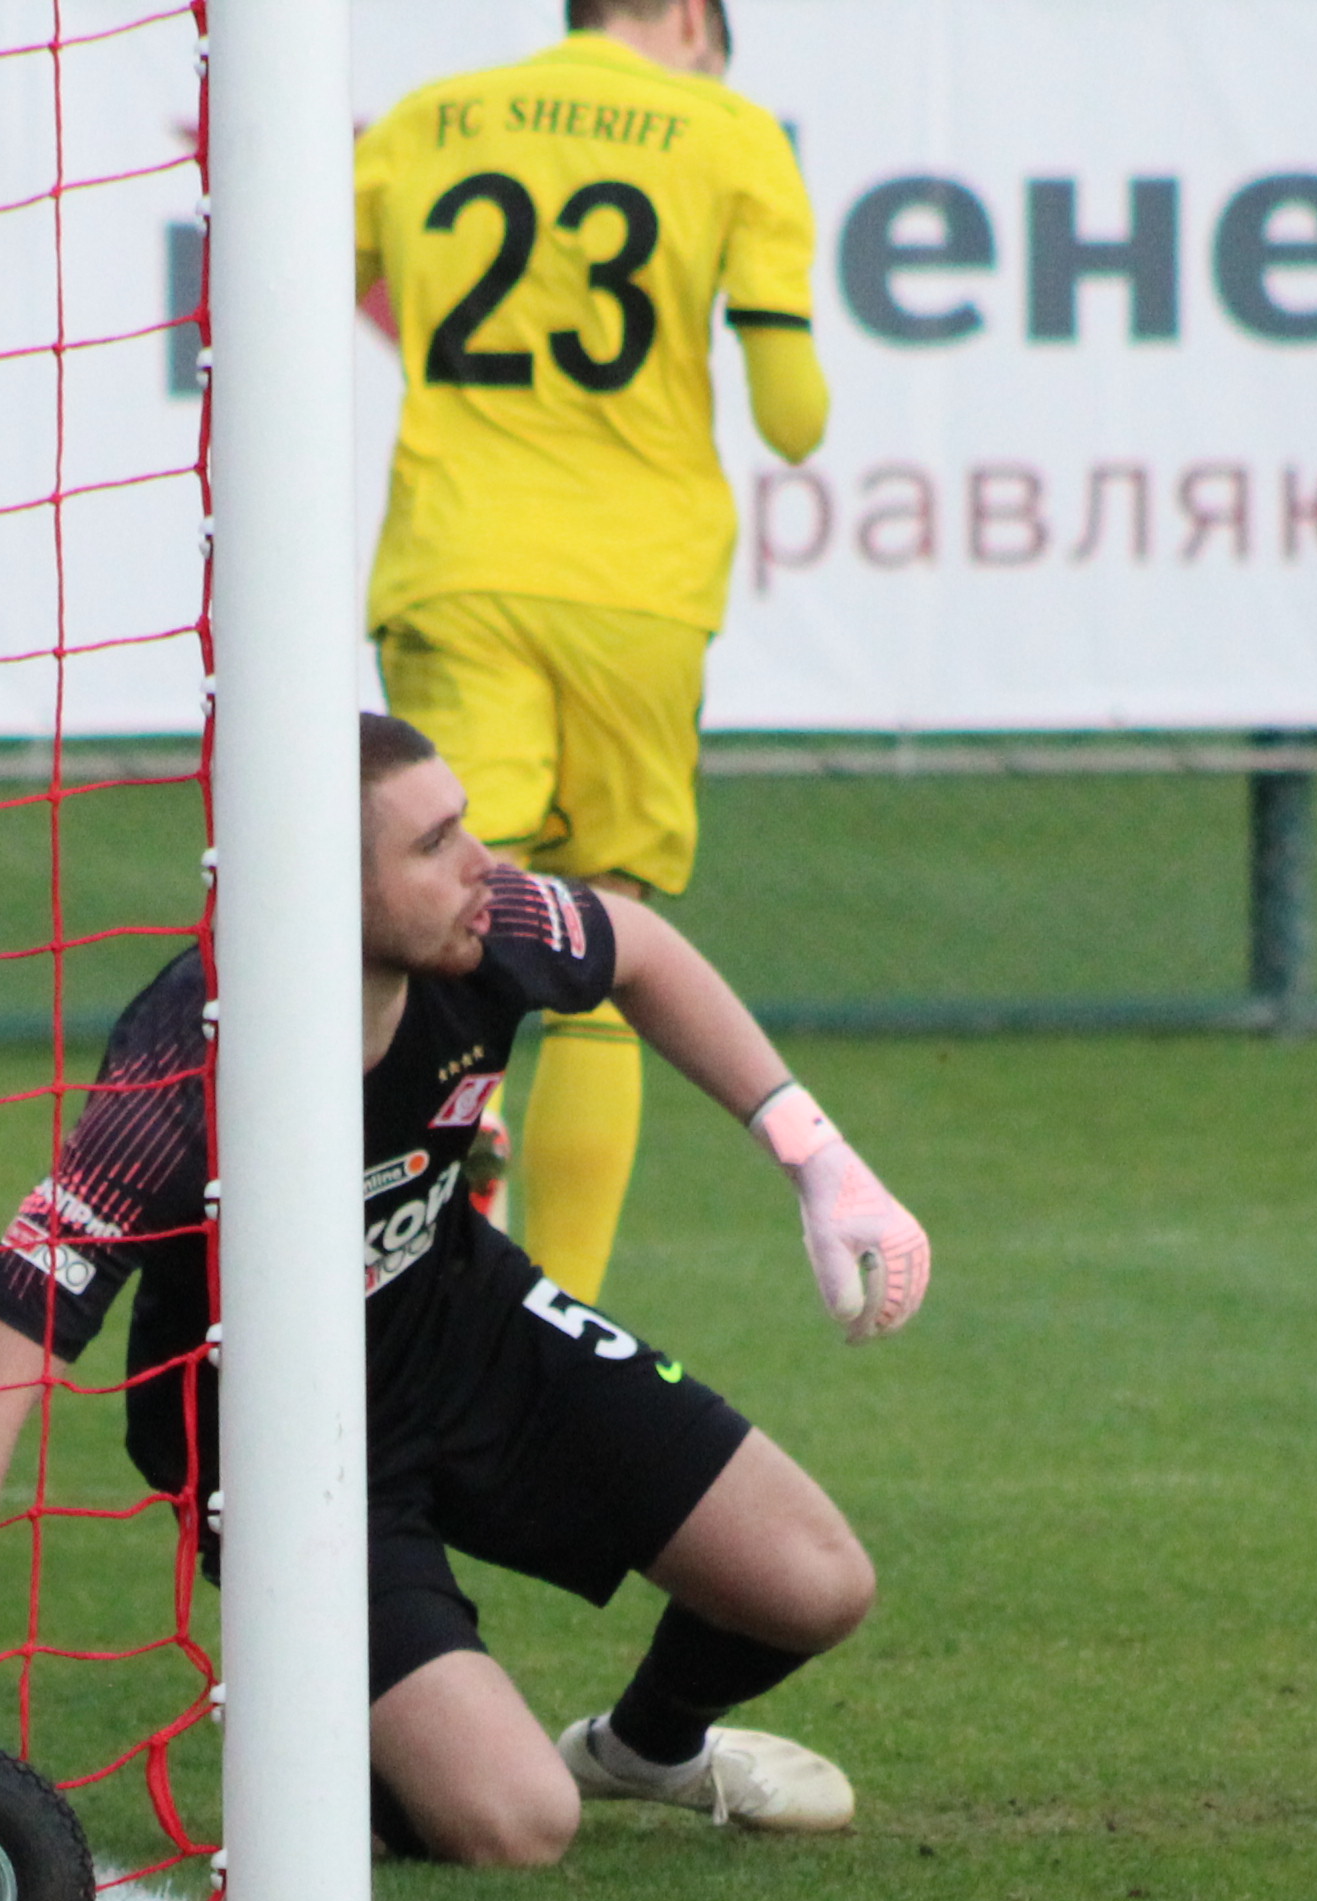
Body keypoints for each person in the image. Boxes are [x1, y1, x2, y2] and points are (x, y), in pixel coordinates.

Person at [0, 716, 927, 1877]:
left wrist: (813, 1155)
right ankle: (348, 1724)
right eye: (434, 843)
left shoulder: (482, 927)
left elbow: (637, 947)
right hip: (274, 1433)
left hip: (465, 1324)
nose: (482, 864)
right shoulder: (178, 1082)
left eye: (463, 823)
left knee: (815, 1582)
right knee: (516, 1822)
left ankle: (645, 1750)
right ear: (321, 885)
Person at [354, 0, 827, 1308]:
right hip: (639, 588)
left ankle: (418, 1227)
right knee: (610, 934)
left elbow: (268, 301)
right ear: (686, 18)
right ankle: (553, 1309)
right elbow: (795, 418)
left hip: (460, 559)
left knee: (439, 905)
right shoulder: (730, 136)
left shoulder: (428, 123)